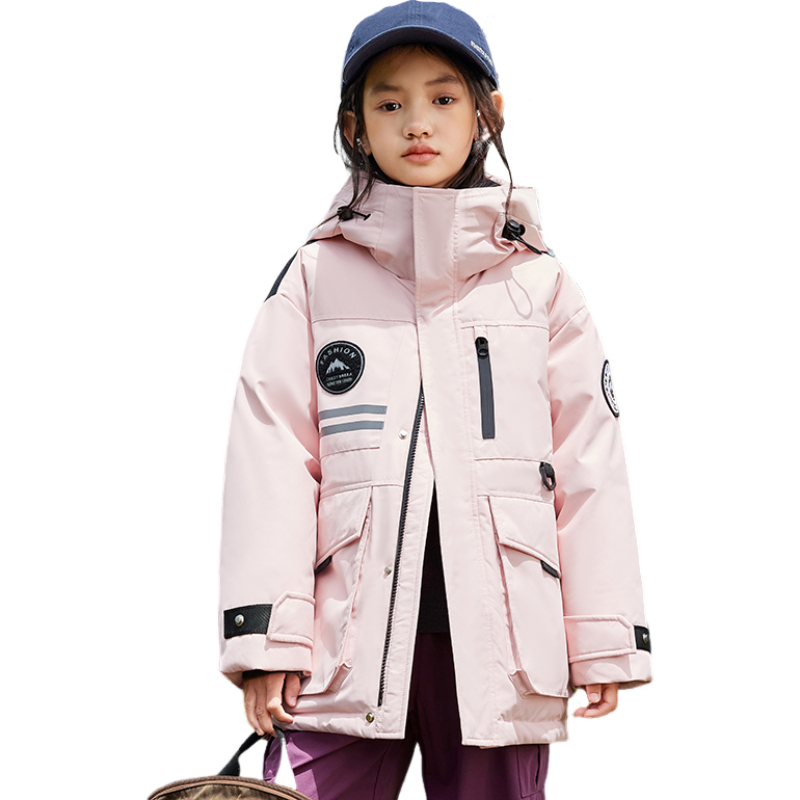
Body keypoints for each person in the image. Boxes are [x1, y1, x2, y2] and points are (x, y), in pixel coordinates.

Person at [218, 2, 652, 798]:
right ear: (355, 126)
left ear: (489, 113)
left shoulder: (540, 285)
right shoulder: (315, 277)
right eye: (390, 103)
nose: (417, 121)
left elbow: (589, 461)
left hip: (504, 647)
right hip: (340, 649)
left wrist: (602, 634)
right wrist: (265, 638)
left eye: (444, 98)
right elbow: (271, 454)